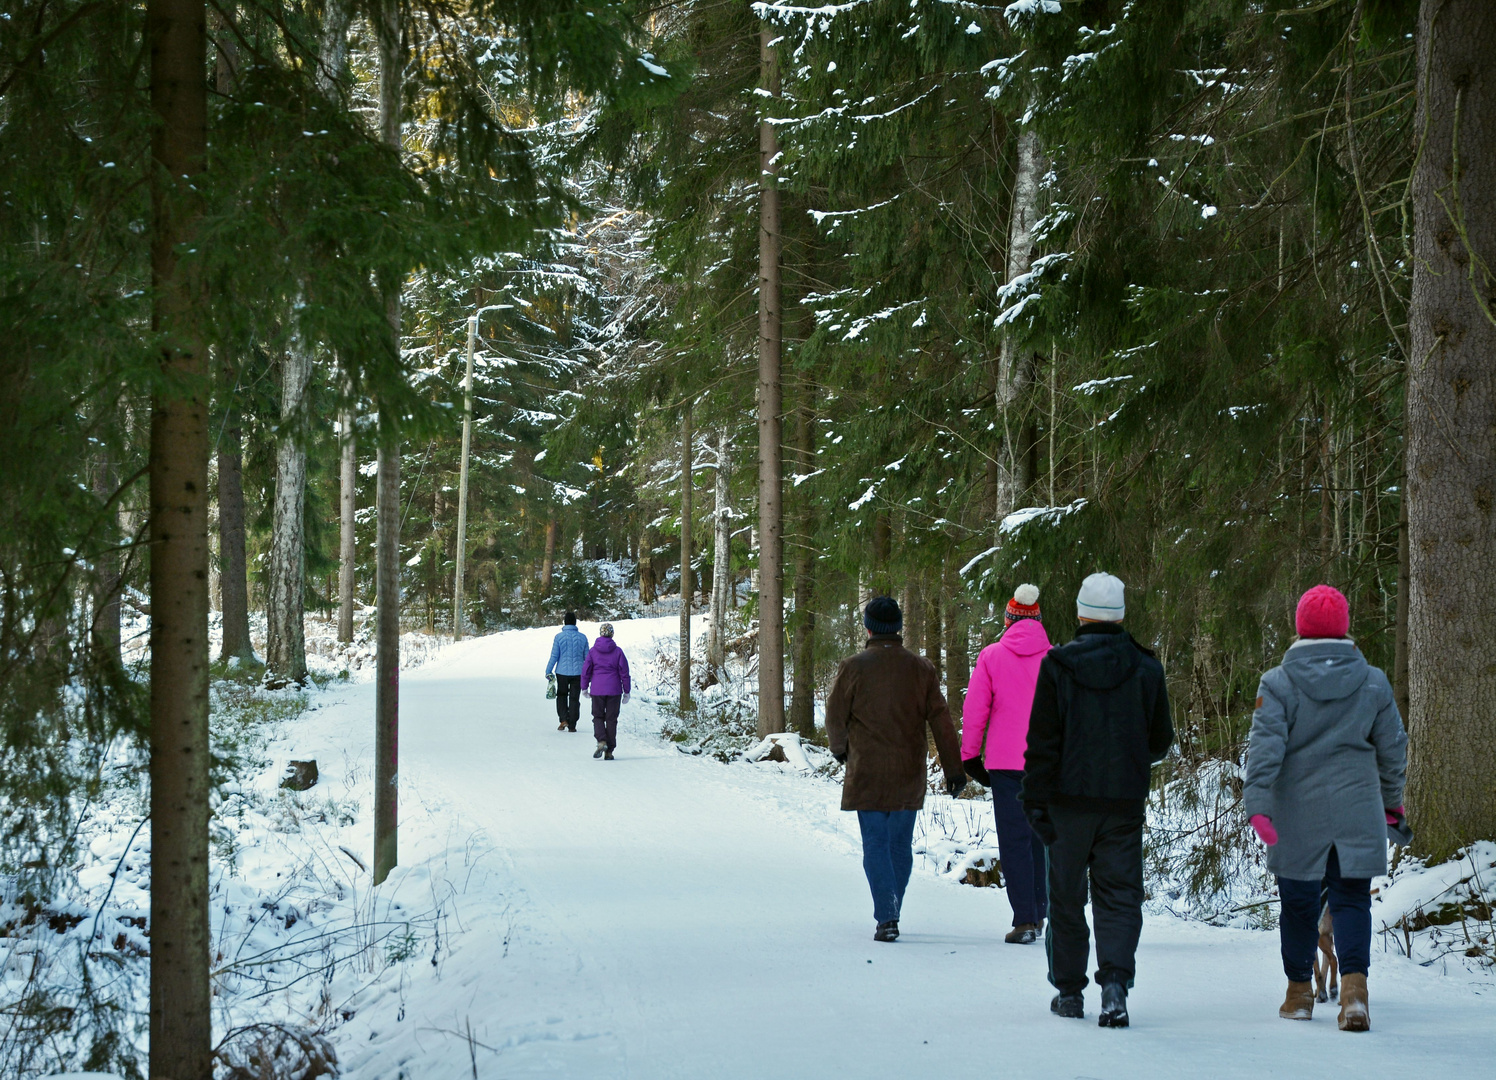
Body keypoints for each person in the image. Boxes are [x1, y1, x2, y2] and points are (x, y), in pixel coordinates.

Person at [1243, 585, 1407, 1032]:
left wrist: (1257, 803)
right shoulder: (1373, 681)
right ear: (1344, 628)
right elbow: (1393, 747)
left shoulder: (1277, 682)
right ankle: (1354, 995)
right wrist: (1392, 803)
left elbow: (1265, 748)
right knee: (1352, 900)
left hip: (1297, 813)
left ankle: (1299, 994)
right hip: (1358, 807)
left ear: (1300, 628)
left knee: (1297, 905)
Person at [1021, 572, 1173, 1028]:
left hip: (1067, 805)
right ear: (1121, 615)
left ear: (1081, 613)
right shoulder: (1147, 668)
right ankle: (1114, 986)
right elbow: (1161, 740)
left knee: (1065, 896)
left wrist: (1035, 801)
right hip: (1122, 805)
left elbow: (1041, 743)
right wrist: (1128, 759)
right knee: (1120, 897)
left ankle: (1069, 991)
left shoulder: (1058, 666)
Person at [826, 596, 965, 943]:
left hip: (866, 772)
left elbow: (834, 714)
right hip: (908, 772)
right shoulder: (921, 669)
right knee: (900, 846)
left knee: (875, 843)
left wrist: (841, 749)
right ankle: (893, 909)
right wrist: (954, 769)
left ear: (868, 627)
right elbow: (941, 720)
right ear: (899, 627)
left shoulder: (853, 667)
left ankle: (886, 915)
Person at [962, 583, 1050, 944]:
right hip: (1047, 762)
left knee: (1014, 841)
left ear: (1008, 619)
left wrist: (970, 756)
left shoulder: (992, 656)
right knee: (1041, 839)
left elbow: (976, 708)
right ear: (1039, 620)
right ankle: (1042, 913)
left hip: (1006, 765)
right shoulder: (1056, 658)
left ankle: (1025, 920)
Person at [581, 622, 630, 761]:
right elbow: (624, 672)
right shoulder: (618, 651)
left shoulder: (593, 651)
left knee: (598, 716)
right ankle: (609, 751)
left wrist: (584, 687)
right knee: (611, 719)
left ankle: (602, 741)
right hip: (614, 690)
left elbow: (586, 671)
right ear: (612, 634)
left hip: (597, 689)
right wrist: (627, 691)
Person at [545, 612, 589, 732]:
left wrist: (548, 670)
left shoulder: (559, 637)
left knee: (562, 695)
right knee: (574, 698)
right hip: (578, 673)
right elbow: (587, 658)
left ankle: (563, 719)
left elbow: (554, 656)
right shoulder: (583, 637)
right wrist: (589, 672)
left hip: (562, 672)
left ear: (564, 622)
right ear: (575, 622)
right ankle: (573, 724)